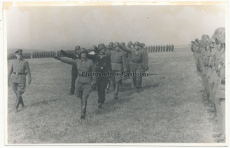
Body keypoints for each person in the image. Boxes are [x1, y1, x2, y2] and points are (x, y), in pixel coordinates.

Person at [54, 48, 96, 119]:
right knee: (79, 96)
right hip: (79, 82)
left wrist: (94, 81)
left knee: (84, 97)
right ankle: (83, 105)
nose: (84, 54)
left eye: (85, 53)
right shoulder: (77, 61)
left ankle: (83, 112)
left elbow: (94, 73)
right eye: (82, 53)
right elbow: (68, 60)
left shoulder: (90, 62)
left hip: (87, 82)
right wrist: (59, 58)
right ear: (80, 55)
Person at [87, 44, 112, 108]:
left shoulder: (107, 57)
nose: (104, 50)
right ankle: (100, 100)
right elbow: (88, 56)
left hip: (105, 73)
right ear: (100, 50)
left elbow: (109, 66)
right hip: (97, 73)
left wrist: (109, 74)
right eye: (103, 49)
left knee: (102, 87)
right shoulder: (95, 56)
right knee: (98, 87)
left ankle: (101, 101)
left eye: (104, 49)